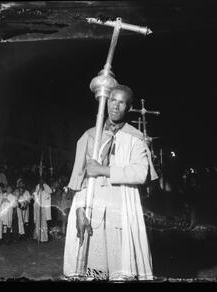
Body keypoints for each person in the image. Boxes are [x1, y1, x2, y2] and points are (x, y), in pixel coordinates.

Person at [63, 84, 158, 281]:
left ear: (128, 107)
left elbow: (140, 173)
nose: (115, 106)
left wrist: (102, 170)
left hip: (122, 209)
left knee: (120, 269)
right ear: (106, 102)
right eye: (112, 100)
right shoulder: (90, 136)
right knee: (93, 269)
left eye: (121, 102)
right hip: (92, 211)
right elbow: (79, 179)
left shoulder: (135, 138)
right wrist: (80, 210)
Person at [33, 177, 52, 242]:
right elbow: (35, 196)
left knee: (43, 223)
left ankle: (44, 238)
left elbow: (49, 192)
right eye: (39, 181)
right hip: (38, 206)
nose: (41, 182)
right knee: (38, 222)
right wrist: (38, 192)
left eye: (42, 181)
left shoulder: (46, 186)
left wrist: (44, 187)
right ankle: (38, 236)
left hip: (44, 207)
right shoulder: (37, 186)